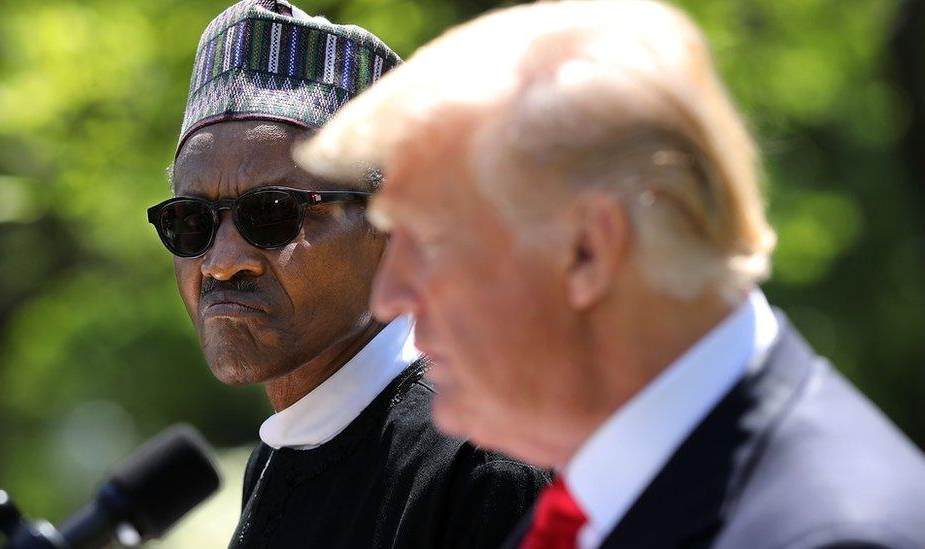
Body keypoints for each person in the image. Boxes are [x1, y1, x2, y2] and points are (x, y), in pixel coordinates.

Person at [294, 1, 925, 547]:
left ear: (589, 251)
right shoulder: (588, 504)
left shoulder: (831, 534)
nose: (391, 295)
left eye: (428, 242)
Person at [146, 1, 547, 547]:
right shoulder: (279, 457)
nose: (221, 261)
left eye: (273, 214)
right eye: (190, 222)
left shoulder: (482, 467)